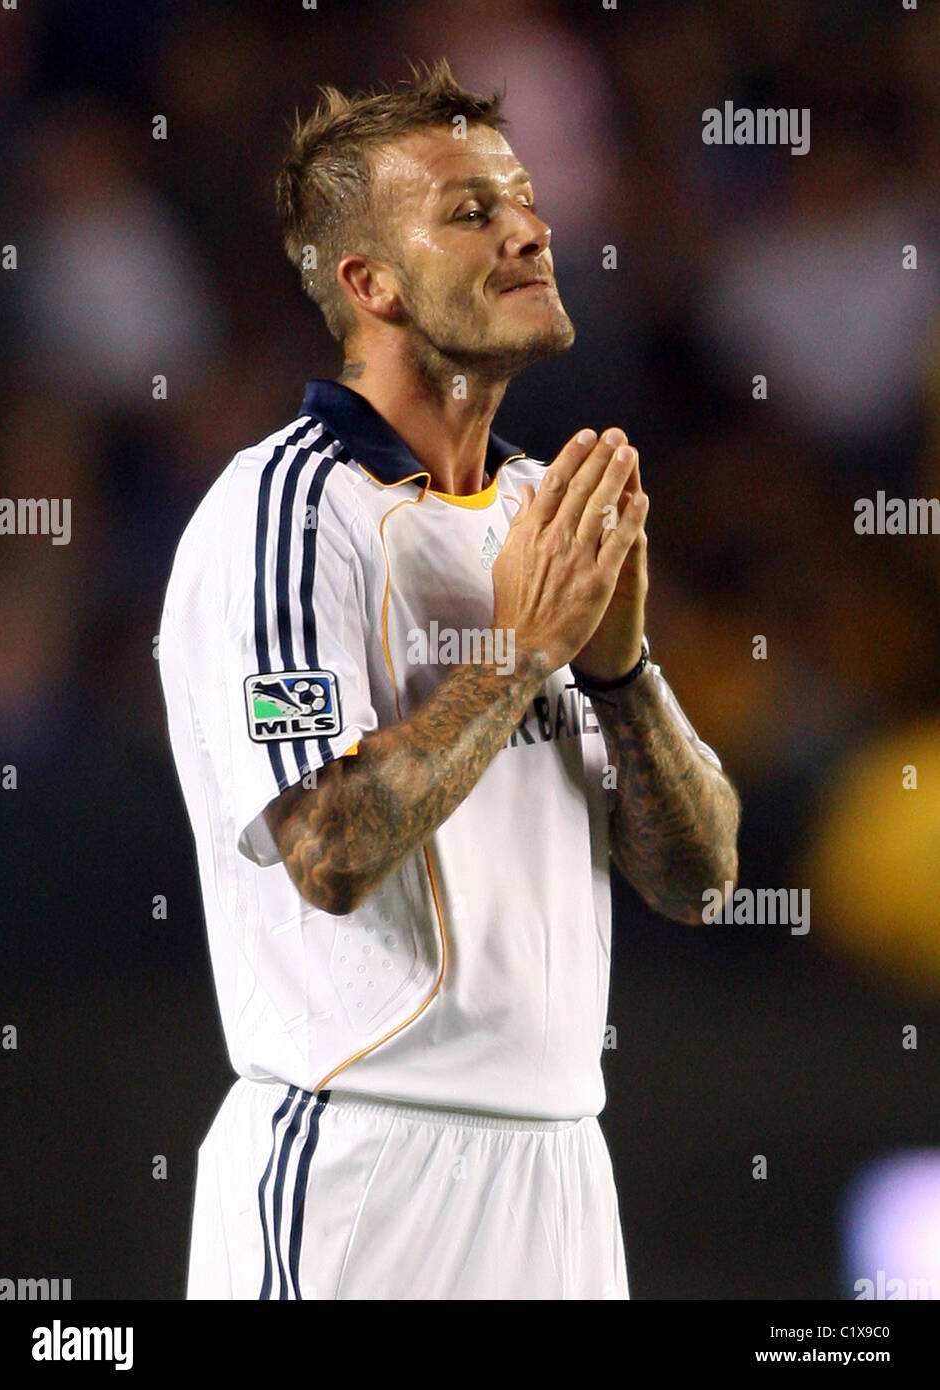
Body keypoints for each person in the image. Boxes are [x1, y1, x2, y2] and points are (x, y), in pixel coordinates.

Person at [158, 57, 739, 1300]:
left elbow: (701, 879)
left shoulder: (541, 508)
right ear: (367, 282)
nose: (530, 231)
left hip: (566, 1170)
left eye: (523, 200)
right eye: (471, 210)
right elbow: (328, 846)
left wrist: (620, 669)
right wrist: (519, 651)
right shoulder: (285, 513)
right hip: (365, 1168)